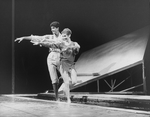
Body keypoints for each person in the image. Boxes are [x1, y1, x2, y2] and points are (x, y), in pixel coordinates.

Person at [15, 21, 62, 101]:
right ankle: (57, 98)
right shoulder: (49, 37)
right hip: (51, 56)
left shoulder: (63, 37)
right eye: (51, 28)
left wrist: (42, 43)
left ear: (57, 28)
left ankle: (63, 83)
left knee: (65, 76)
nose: (52, 30)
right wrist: (23, 38)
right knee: (53, 78)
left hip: (60, 56)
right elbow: (36, 37)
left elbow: (60, 44)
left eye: (53, 28)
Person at [58, 28, 80, 103]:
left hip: (71, 65)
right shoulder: (61, 44)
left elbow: (77, 48)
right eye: (63, 36)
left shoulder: (74, 43)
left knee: (74, 82)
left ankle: (65, 89)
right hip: (63, 64)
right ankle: (68, 99)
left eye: (65, 36)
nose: (63, 37)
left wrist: (76, 47)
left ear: (69, 35)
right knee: (67, 82)